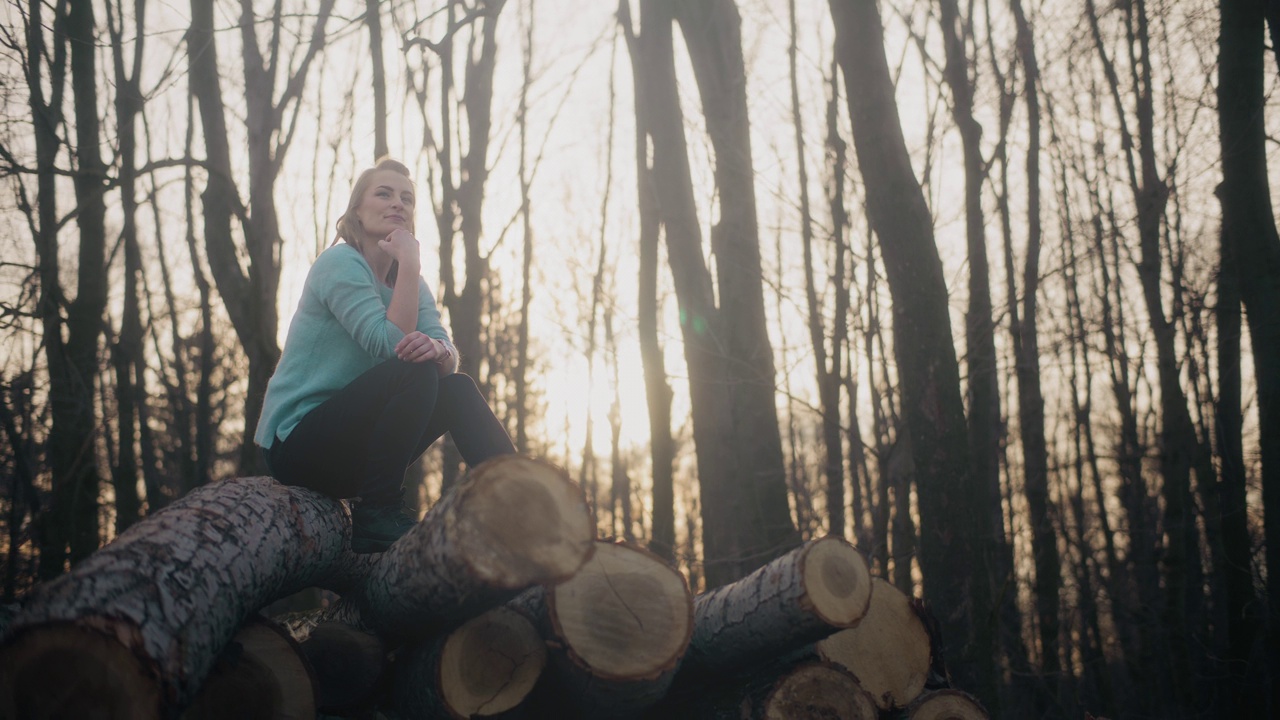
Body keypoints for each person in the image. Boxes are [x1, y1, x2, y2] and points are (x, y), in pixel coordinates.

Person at [254, 158, 515, 552]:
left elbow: (447, 359)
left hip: (357, 451)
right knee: (414, 371)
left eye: (407, 198)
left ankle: (522, 501)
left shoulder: (410, 282)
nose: (398, 204)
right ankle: (376, 514)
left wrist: (439, 348)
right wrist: (410, 262)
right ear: (356, 210)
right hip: (298, 444)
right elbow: (388, 342)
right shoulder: (339, 263)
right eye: (384, 193)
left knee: (457, 388)